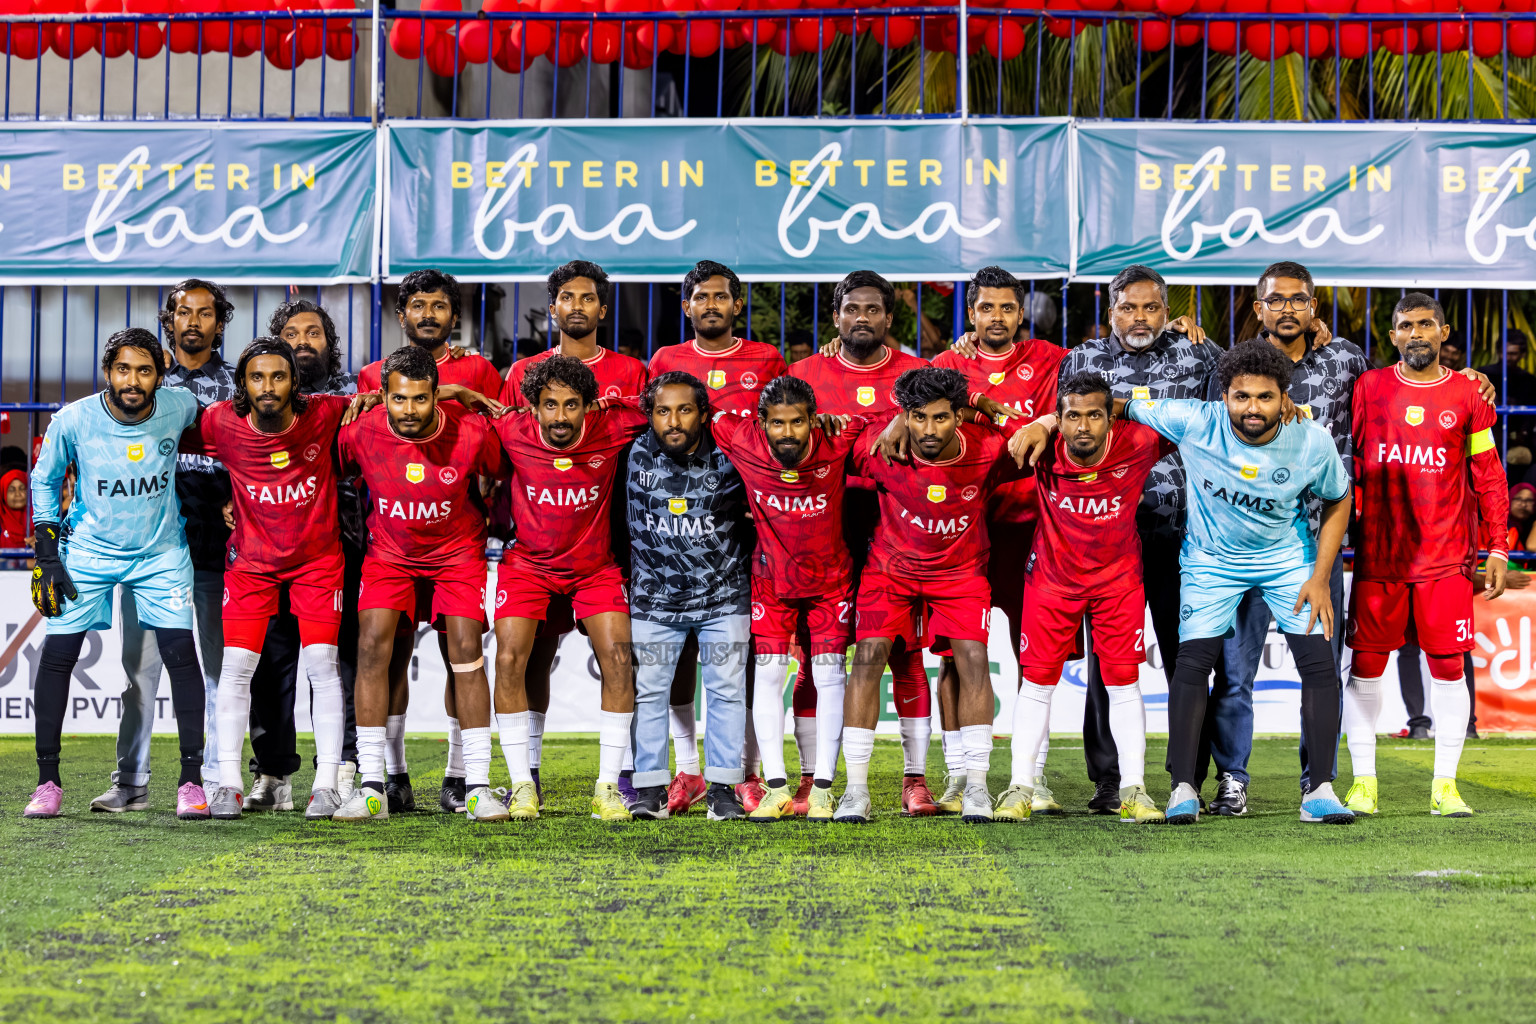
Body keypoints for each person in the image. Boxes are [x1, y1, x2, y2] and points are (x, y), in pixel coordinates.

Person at [1028, 340, 1354, 824]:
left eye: (1265, 397)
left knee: (1319, 666)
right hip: (1211, 561)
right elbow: (1111, 405)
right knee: (1192, 664)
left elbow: (1338, 498)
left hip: (1286, 559)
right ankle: (1183, 787)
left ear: (1285, 398)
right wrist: (1046, 422)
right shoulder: (1194, 419)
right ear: (1223, 397)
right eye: (1241, 396)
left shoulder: (1311, 440)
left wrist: (1321, 576)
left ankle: (1320, 790)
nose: (1252, 407)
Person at [25, 328, 213, 819]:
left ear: (160, 375)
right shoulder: (74, 419)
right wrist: (48, 553)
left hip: (160, 554)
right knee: (57, 656)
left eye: (144, 370)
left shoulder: (180, 407)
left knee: (181, 656)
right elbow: (44, 479)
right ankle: (47, 783)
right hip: (89, 552)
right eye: (123, 369)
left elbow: (230, 435)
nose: (133, 380)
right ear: (107, 372)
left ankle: (191, 783)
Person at [1206, 261, 1368, 815]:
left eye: (1299, 299)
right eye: (1275, 300)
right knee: (1234, 671)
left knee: (1320, 670)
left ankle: (1317, 783)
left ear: (1314, 306)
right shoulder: (1236, 366)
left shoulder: (1345, 360)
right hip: (1247, 541)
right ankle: (1232, 780)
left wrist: (1468, 378)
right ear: (1259, 308)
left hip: (1319, 544)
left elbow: (1393, 396)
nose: (1288, 309)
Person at [1057, 265, 1218, 813]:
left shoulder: (1198, 354)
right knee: (1108, 663)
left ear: (1168, 311)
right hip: (1106, 537)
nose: (1140, 318)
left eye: (1151, 307)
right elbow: (1063, 433)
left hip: (1186, 534)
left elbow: (1237, 405)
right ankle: (1110, 779)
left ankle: (1187, 778)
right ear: (1111, 312)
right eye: (1129, 307)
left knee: (1187, 659)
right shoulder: (1081, 360)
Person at [835, 367, 1028, 824]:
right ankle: (855, 791)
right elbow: (832, 441)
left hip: (960, 573)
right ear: (905, 416)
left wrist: (981, 402)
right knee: (868, 657)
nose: (928, 429)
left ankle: (977, 787)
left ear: (958, 416)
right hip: (891, 571)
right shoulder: (883, 446)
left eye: (940, 417)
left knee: (973, 658)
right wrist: (891, 420)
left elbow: (1028, 435)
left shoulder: (987, 448)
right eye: (918, 417)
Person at [1343, 292, 1509, 819]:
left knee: (1448, 670)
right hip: (1380, 556)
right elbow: (1346, 461)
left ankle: (1445, 786)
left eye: (1425, 324)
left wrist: (1498, 546)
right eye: (1406, 325)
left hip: (1446, 559)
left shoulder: (1468, 393)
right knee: (1365, 668)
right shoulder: (1368, 387)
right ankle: (1364, 784)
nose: (1416, 333)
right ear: (1393, 335)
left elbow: (1488, 475)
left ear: (1443, 333)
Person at [332, 346, 509, 822]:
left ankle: (475, 786)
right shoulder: (361, 431)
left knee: (466, 652)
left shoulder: (471, 431)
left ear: (436, 395)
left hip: (457, 555)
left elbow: (503, 469)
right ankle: (375, 785)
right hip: (390, 555)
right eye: (398, 399)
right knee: (373, 647)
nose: (409, 410)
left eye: (420, 399)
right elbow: (325, 465)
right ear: (382, 396)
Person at [180, 338, 355, 820]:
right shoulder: (221, 422)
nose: (268, 386)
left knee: (322, 666)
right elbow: (160, 425)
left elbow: (390, 397)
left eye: (278, 376)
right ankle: (229, 785)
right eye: (257, 377)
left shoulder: (325, 412)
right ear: (242, 383)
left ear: (294, 382)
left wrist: (457, 392)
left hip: (317, 562)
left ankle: (326, 785)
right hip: (252, 565)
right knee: (237, 667)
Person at [789, 270, 938, 818]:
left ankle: (915, 780)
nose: (862, 318)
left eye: (873, 310)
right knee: (815, 658)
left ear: (889, 317)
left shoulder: (916, 376)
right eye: (852, 309)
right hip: (821, 530)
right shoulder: (804, 375)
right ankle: (812, 779)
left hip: (897, 531)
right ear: (836, 317)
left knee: (906, 654)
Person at [1001, 371, 1174, 823]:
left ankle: (1134, 790)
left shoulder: (1139, 441)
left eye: (1095, 415)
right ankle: (1020, 787)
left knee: (1124, 684)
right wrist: (1039, 423)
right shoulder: (1039, 446)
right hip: (1051, 582)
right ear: (1059, 419)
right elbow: (975, 422)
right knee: (1037, 684)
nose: (1083, 426)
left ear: (1111, 418)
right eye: (1072, 417)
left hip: (1118, 583)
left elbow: (1196, 421)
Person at [647, 261, 788, 813]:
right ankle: (688, 770)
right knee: (680, 654)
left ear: (736, 304)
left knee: (738, 658)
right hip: (682, 526)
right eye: (701, 297)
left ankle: (743, 770)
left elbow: (781, 423)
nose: (711, 305)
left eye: (720, 296)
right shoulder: (665, 360)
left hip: (748, 522)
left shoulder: (766, 359)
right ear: (686, 307)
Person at [91, 280, 233, 815]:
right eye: (183, 312)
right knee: (138, 670)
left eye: (205, 313)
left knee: (217, 671)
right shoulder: (146, 377)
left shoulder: (238, 383)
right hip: (150, 548)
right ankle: (131, 780)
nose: (193, 321)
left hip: (218, 546)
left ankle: (216, 780)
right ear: (168, 320)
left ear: (220, 322)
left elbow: (252, 453)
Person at [929, 266, 1066, 813]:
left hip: (1034, 528)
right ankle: (959, 774)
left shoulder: (1049, 359)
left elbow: (1086, 397)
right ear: (971, 313)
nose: (997, 317)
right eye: (987, 308)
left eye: (1008, 308)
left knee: (1039, 656)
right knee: (955, 657)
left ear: (1021, 312)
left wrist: (1046, 421)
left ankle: (1034, 775)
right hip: (963, 529)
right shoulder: (947, 365)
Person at [488, 355, 649, 822]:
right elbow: (453, 417)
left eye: (572, 404)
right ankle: (523, 785)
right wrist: (458, 391)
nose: (560, 416)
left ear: (588, 405)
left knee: (619, 661)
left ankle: (607, 788)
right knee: (509, 660)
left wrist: (616, 401)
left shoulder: (611, 425)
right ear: (533, 406)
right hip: (528, 566)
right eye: (550, 405)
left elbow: (668, 403)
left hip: (594, 569)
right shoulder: (512, 428)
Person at [710, 375, 862, 822]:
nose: (788, 432)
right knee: (769, 675)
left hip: (831, 582)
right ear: (762, 422)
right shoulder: (741, 437)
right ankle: (776, 789)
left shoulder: (839, 438)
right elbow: (700, 409)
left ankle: (822, 790)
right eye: (778, 423)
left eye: (798, 422)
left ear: (814, 419)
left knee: (830, 677)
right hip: (770, 582)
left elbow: (889, 420)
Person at [243, 299, 363, 813]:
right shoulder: (257, 397)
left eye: (313, 332)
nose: (302, 341)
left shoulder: (354, 393)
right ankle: (272, 773)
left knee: (337, 662)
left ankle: (342, 770)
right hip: (269, 549)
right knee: (271, 666)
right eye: (291, 333)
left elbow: (408, 396)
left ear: (328, 343)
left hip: (343, 545)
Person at [619, 371, 751, 821]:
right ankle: (650, 789)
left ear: (704, 414)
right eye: (662, 411)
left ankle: (723, 790)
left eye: (684, 410)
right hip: (654, 601)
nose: (673, 421)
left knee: (726, 692)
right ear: (650, 415)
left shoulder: (732, 455)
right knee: (648, 693)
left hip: (723, 597)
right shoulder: (630, 451)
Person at [502, 260, 649, 406]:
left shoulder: (633, 372)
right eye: (567, 298)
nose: (577, 306)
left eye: (587, 298)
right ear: (553, 310)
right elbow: (504, 420)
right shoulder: (522, 372)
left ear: (602, 311)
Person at [1, 468, 30, 550]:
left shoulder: (40, 521)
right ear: (3, 494)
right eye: (11, 490)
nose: (18, 494)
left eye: (22, 488)